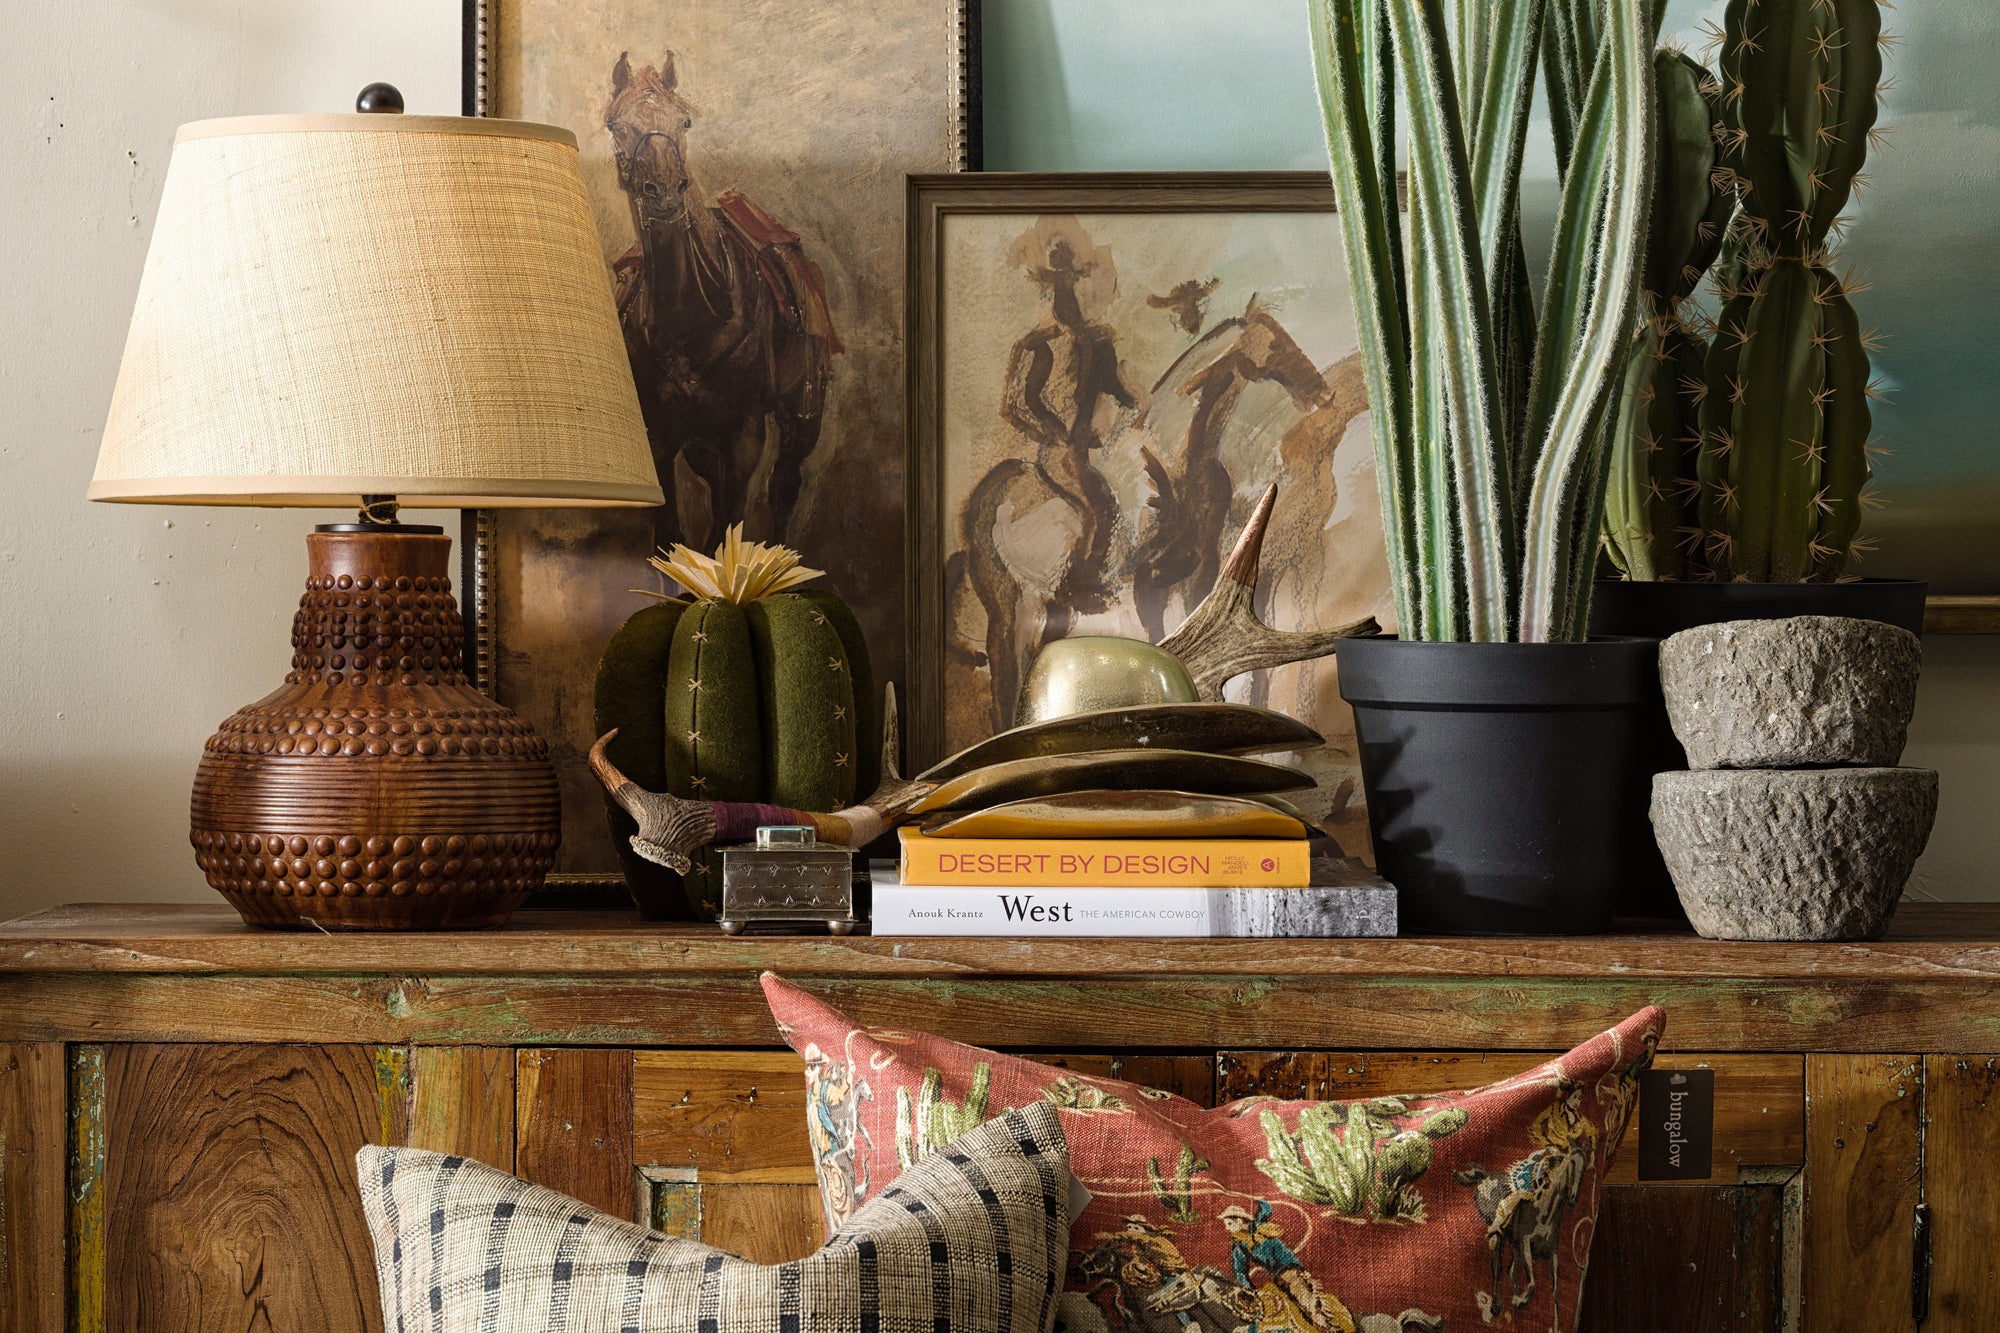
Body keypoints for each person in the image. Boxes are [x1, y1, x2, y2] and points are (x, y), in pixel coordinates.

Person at [1218, 1200, 1355, 1333]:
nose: (1227, 1228)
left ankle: (1327, 1327)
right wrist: (1249, 1290)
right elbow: (1240, 1271)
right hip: (1278, 1277)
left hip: (1292, 1271)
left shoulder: (1260, 1225)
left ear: (1240, 1220)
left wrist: (1258, 1200)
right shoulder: (1240, 1246)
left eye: (1229, 1223)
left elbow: (1266, 1208)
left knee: (1305, 1300)